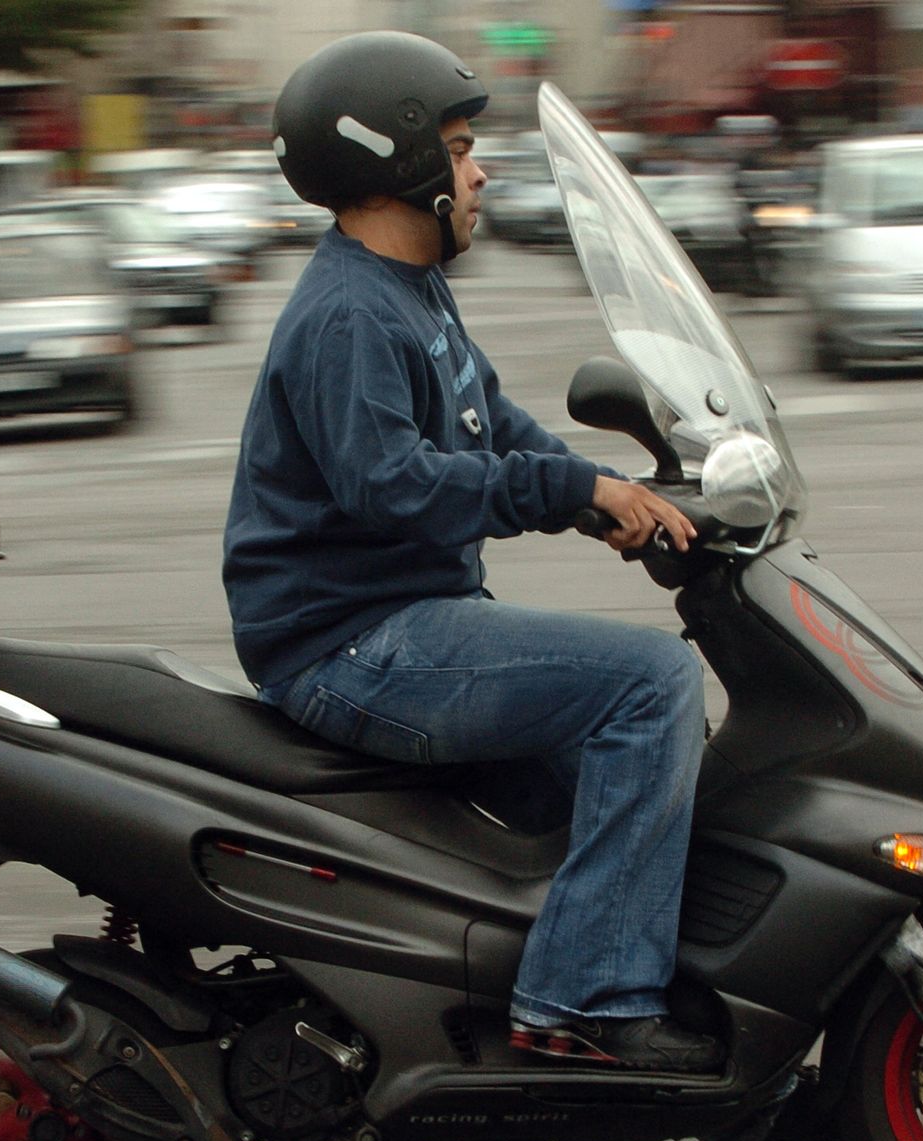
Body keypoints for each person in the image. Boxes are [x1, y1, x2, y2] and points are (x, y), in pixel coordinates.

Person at [222, 32, 722, 1074]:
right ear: (397, 164)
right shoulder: (351, 314)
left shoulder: (408, 290)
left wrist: (619, 499)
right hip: (348, 643)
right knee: (654, 685)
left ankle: (563, 983)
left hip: (398, 621)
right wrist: (567, 491)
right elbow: (390, 484)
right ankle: (582, 1001)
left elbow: (494, 422)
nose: (479, 169)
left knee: (621, 765)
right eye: (458, 147)